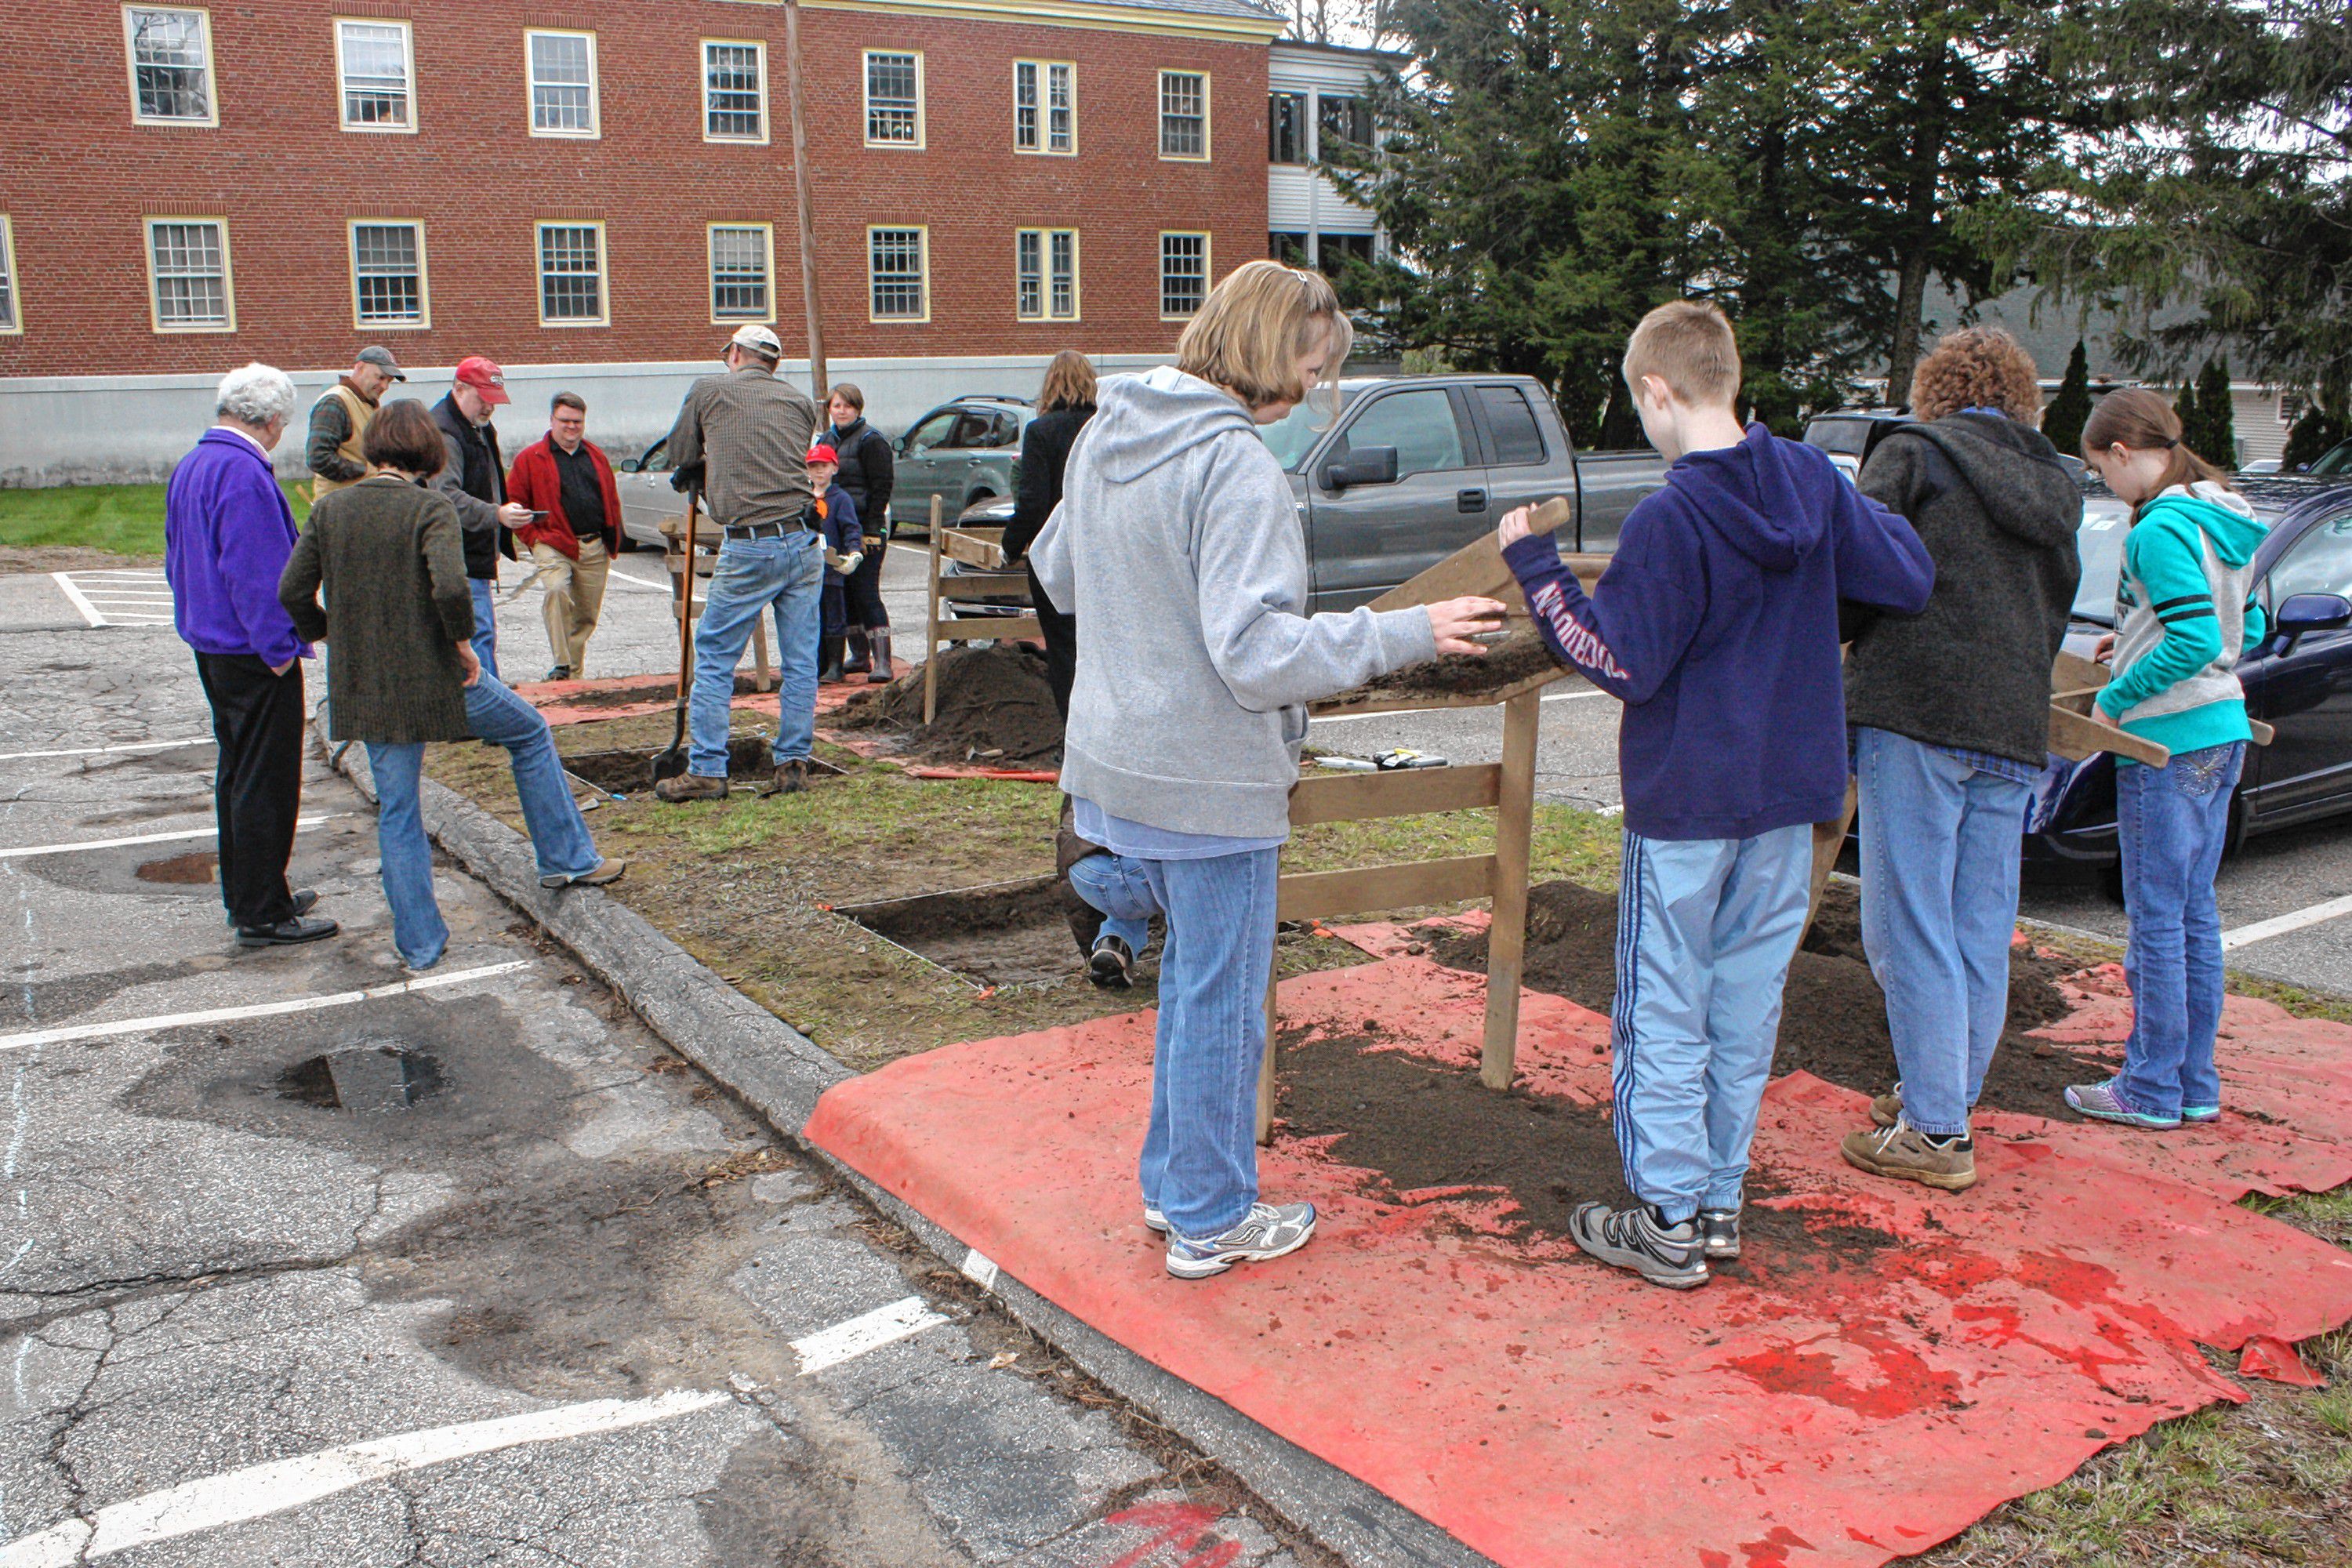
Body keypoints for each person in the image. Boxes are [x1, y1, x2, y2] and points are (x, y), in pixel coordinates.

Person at [1031, 260, 1504, 1279]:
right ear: (1272, 355)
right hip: (1207, 782)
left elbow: (1059, 575)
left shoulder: (1106, 430)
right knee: (1221, 997)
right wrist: (1404, 631)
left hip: (1115, 767)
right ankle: (1207, 1217)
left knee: (1191, 992)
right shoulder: (1235, 466)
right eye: (1313, 366)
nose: (1310, 393)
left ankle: (1176, 1191)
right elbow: (1255, 655)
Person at [1498, 300, 1933, 1289]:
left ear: (1658, 388)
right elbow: (1907, 575)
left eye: (1637, 405)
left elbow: (1620, 661)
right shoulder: (1811, 482)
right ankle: (1718, 1203)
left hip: (1689, 799)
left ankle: (1662, 1219)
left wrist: (1536, 568)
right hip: (1791, 795)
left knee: (1665, 1006)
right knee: (1745, 1004)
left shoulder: (1670, 515)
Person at [1835, 328, 2083, 1193]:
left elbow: (1856, 569)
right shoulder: (2058, 482)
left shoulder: (1912, 456)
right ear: (2022, 397)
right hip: (2014, 722)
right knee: (1978, 925)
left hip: (1917, 705)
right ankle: (1941, 1096)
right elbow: (2058, 605)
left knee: (1907, 921)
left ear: (1935, 391)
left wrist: (1836, 638)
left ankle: (1936, 1132)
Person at [279, 401, 622, 972]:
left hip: (368, 685)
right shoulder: (430, 508)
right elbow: (449, 588)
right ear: (428, 454)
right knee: (531, 732)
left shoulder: (331, 510)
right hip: (439, 675)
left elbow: (293, 591)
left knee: (398, 810)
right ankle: (565, 858)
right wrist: (463, 645)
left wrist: (333, 634)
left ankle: (419, 946)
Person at [2066, 387, 2267, 1130]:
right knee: (2194, 913)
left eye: (2101, 473)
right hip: (2224, 727)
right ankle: (2195, 1083)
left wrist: (2117, 697)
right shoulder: (2226, 515)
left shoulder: (2157, 529)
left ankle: (2148, 1087)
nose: (2106, 489)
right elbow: (2241, 619)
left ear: (2122, 453)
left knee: (2155, 917)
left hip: (2165, 740)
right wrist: (2142, 636)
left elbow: (2191, 642)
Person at [165, 362, 338, 949]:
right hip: (249, 649)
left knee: (237, 773)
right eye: (282, 424)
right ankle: (263, 911)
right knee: (265, 781)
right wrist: (278, 649)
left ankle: (253, 891)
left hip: (211, 643)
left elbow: (175, 559)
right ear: (269, 422)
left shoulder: (193, 464)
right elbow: (260, 574)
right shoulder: (241, 473)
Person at [652, 323, 823, 800]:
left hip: (750, 544)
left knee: (714, 657)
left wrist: (700, 465)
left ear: (736, 355)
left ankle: (707, 767)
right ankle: (793, 763)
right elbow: (766, 450)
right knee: (801, 660)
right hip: (803, 541)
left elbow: (681, 451)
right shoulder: (798, 402)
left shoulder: (710, 388)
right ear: (774, 364)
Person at [1002, 350, 1098, 718]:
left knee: (1062, 648)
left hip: (1058, 552)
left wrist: (1009, 547)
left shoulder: (1040, 431)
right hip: (1106, 549)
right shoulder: (1106, 424)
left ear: (1051, 385)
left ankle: (1074, 731)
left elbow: (1032, 502)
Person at [503, 391, 620, 681]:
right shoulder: (531, 459)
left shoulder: (596, 456)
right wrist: (532, 538)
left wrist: (612, 537)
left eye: (577, 422)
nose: (571, 427)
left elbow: (611, 499)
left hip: (594, 545)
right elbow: (514, 503)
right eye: (565, 421)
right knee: (556, 590)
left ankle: (572, 678)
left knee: (585, 616)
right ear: (552, 420)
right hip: (552, 542)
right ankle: (562, 664)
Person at [430, 356, 533, 681]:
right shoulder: (446, 432)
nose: (489, 408)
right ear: (459, 389)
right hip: (457, 557)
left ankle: (479, 710)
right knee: (477, 638)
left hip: (473, 553)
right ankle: (488, 712)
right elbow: (446, 498)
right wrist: (497, 514)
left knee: (477, 636)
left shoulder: (476, 426)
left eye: (494, 401)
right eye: (484, 399)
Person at [820, 384, 896, 679]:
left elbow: (881, 487)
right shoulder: (826, 440)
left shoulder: (871, 441)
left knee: (866, 593)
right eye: (837, 405)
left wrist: (873, 529)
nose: (841, 411)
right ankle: (859, 655)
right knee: (845, 594)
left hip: (865, 529)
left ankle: (883, 661)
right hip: (835, 531)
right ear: (829, 408)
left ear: (858, 409)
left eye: (848, 406)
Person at [304, 346, 405, 500]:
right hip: (338, 507)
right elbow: (318, 458)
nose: (385, 386)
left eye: (389, 381)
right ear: (360, 367)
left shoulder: (367, 403)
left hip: (359, 503)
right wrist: (365, 471)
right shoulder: (335, 402)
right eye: (380, 378)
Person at [805, 443, 865, 683]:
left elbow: (851, 528)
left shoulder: (841, 499)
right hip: (807, 569)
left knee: (835, 615)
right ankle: (817, 664)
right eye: (814, 467)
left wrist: (853, 553)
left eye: (824, 466)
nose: (819, 472)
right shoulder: (803, 498)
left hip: (832, 568)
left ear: (834, 469)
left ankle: (835, 666)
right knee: (813, 616)